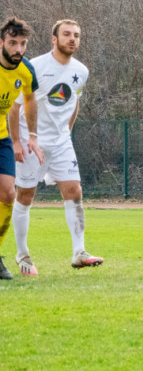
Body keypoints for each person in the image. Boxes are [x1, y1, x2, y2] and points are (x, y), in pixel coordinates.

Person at [9, 19, 104, 276]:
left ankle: (79, 252)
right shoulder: (34, 67)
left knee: (74, 191)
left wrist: (67, 133)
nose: (72, 39)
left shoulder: (81, 71)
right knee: (25, 195)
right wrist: (17, 141)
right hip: (32, 142)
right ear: (54, 39)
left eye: (76, 35)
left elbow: (74, 102)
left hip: (62, 142)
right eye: (66, 34)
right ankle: (23, 254)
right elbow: (16, 106)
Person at [0, 17, 43, 280]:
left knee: (7, 194)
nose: (18, 49)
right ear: (2, 42)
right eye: (13, 43)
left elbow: (29, 98)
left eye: (23, 44)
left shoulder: (26, 70)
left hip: (1, 136)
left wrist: (32, 135)